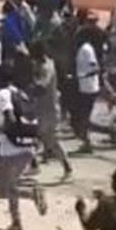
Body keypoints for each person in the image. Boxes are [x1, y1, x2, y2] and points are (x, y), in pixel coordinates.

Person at [0, 68, 48, 230]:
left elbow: (8, 116)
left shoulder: (2, 94)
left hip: (11, 148)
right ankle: (16, 223)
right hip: (28, 146)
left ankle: (31, 194)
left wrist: (3, 130)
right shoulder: (21, 94)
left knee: (2, 189)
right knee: (11, 185)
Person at [30, 40, 72, 180]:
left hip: (47, 109)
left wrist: (27, 88)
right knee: (49, 140)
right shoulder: (46, 63)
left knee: (33, 137)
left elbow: (41, 87)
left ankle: (35, 165)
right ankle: (65, 166)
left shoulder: (46, 68)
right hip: (46, 108)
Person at [73, 27, 101, 153]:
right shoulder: (83, 49)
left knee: (85, 115)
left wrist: (82, 76)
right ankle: (86, 142)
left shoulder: (87, 49)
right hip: (84, 86)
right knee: (83, 115)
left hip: (89, 87)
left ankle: (87, 143)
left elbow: (95, 68)